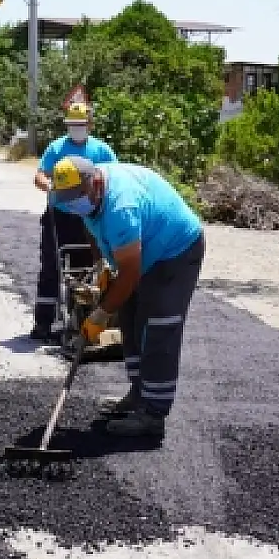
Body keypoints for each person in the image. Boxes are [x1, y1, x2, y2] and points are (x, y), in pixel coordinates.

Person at [48, 156, 204, 438]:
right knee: (130, 318)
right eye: (67, 200)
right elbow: (90, 225)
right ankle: (138, 393)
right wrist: (104, 264)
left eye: (77, 198)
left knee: (158, 326)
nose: (73, 205)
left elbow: (130, 275)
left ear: (95, 183)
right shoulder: (85, 196)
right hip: (140, 251)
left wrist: (99, 315)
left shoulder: (121, 206)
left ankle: (153, 414)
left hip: (175, 252)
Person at [30, 101, 118, 341]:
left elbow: (113, 177)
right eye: (73, 125)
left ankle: (78, 319)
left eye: (81, 124)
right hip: (59, 218)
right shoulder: (57, 148)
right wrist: (46, 184)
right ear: (67, 125)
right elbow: (40, 174)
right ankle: (43, 324)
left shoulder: (102, 151)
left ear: (89, 124)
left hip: (87, 217)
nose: (77, 128)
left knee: (84, 269)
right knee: (51, 268)